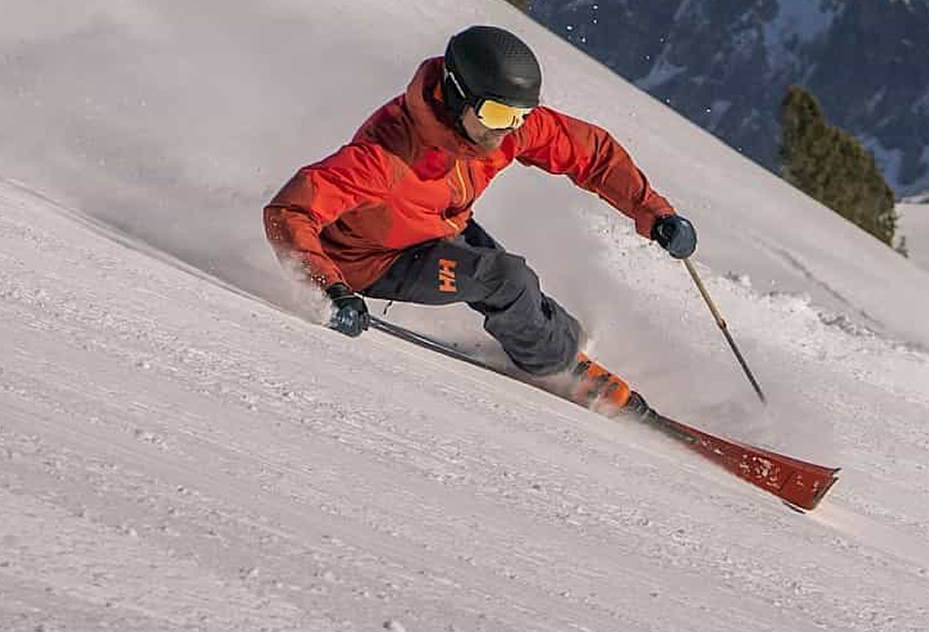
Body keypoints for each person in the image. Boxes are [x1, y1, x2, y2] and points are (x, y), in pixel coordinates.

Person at [263, 24, 697, 410]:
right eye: (495, 114)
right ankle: (554, 365)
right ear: (455, 94)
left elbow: (591, 153)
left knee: (517, 285)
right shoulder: (386, 154)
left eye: (519, 116)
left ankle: (560, 345)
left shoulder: (500, 129)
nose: (505, 130)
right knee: (505, 279)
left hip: (437, 226)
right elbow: (290, 209)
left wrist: (654, 212)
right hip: (371, 261)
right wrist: (329, 289)